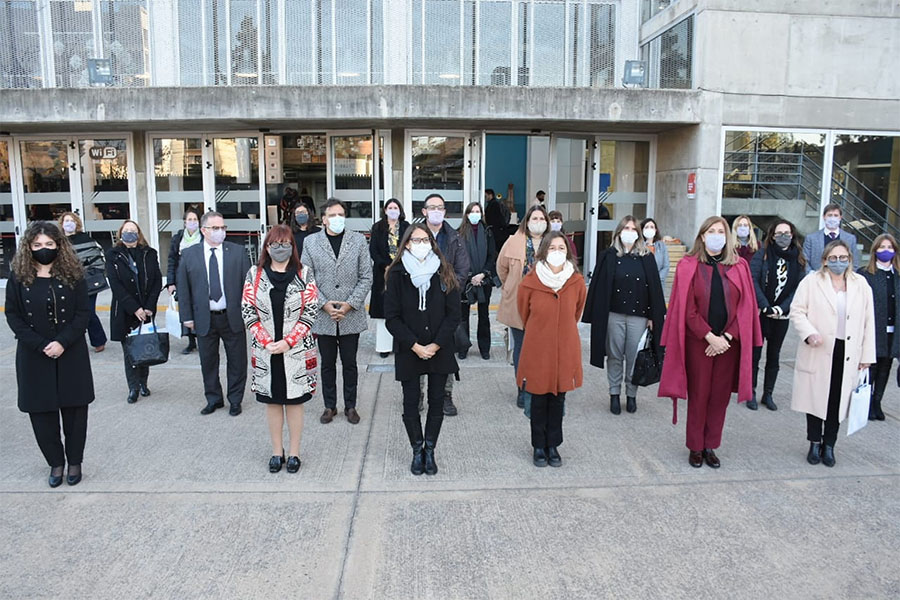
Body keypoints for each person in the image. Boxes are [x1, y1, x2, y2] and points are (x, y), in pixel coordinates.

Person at [659, 216, 762, 469]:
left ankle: (710, 445)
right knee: (700, 394)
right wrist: (709, 336)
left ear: (727, 237)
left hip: (728, 344)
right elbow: (687, 309)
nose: (716, 235)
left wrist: (726, 337)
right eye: (711, 231)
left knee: (719, 397)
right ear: (702, 236)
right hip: (699, 343)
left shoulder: (739, 267)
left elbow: (746, 309)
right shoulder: (688, 265)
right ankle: (695, 446)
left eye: (721, 231)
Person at [6, 221, 94, 487]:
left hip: (70, 352)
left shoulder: (74, 274)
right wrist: (40, 344)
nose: (43, 249)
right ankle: (56, 463)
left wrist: (62, 342)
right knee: (41, 413)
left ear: (59, 246)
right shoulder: (19, 276)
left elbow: (82, 314)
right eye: (37, 245)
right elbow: (13, 315)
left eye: (49, 244)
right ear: (28, 247)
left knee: (75, 412)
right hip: (34, 355)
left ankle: (75, 461)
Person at [384, 224, 461, 475]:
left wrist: (436, 344)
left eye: (425, 239)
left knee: (437, 400)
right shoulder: (396, 273)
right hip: (410, 348)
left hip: (440, 346)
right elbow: (392, 318)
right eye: (416, 240)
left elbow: (453, 314)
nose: (421, 243)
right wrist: (415, 346)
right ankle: (417, 450)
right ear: (406, 244)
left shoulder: (444, 270)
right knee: (410, 401)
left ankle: (430, 449)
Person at [242, 225, 319, 474]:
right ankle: (277, 451)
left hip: (295, 351)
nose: (280, 248)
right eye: (275, 244)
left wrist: (288, 341)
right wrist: (266, 341)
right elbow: (247, 310)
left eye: (286, 243)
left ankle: (294, 452)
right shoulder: (254, 274)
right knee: (273, 403)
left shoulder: (304, 273)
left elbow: (310, 311)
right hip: (266, 352)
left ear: (293, 247)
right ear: (266, 247)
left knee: (295, 403)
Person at [790, 240, 875, 467]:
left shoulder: (861, 285)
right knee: (816, 397)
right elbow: (797, 311)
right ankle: (814, 442)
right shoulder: (811, 281)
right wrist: (809, 333)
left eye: (843, 258)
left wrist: (867, 356)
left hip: (848, 351)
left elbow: (869, 322)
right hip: (819, 348)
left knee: (837, 400)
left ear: (850, 259)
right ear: (825, 260)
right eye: (834, 258)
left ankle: (830, 444)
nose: (839, 262)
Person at [517, 231, 587, 467]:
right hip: (537, 348)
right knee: (537, 399)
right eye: (552, 248)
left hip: (565, 347)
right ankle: (538, 445)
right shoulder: (530, 282)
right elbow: (524, 314)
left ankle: (553, 445)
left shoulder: (576, 282)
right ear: (543, 251)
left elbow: (576, 312)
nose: (557, 252)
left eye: (562, 248)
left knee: (558, 399)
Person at [584, 216, 666, 415]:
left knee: (633, 357)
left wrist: (653, 317)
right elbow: (598, 288)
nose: (629, 231)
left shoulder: (646, 258)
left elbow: (654, 290)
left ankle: (631, 394)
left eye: (633, 228)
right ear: (619, 231)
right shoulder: (608, 256)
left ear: (638, 233)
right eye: (626, 227)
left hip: (639, 317)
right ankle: (614, 393)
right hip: (614, 315)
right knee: (614, 356)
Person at [302, 198, 372, 425]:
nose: (337, 218)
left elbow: (366, 276)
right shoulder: (311, 243)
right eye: (333, 215)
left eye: (341, 214)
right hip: (324, 315)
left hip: (350, 314)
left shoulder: (358, 240)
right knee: (327, 364)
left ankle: (350, 406)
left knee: (350, 363)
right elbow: (307, 278)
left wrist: (350, 304)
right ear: (323, 219)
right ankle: (329, 405)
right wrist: (324, 304)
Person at [177, 211, 252, 416]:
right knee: (208, 362)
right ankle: (214, 399)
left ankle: (235, 400)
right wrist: (187, 317)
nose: (220, 232)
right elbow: (183, 289)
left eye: (223, 228)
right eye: (215, 228)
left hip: (232, 317)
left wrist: (249, 315)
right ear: (203, 230)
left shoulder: (237, 252)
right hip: (204, 318)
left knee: (237, 361)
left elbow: (249, 287)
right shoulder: (190, 254)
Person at [747, 218, 806, 411]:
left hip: (781, 316)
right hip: (761, 314)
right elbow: (753, 280)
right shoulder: (762, 254)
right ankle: (751, 392)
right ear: (772, 236)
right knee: (755, 355)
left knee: (774, 356)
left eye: (787, 234)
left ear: (792, 236)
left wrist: (782, 308)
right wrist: (765, 306)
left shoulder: (798, 258)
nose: (783, 237)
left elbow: (798, 287)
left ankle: (768, 394)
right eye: (779, 233)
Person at [421, 193, 470, 415]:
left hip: (445, 304)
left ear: (445, 212)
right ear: (424, 211)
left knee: (444, 351)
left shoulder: (454, 237)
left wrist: (446, 291)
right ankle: (418, 394)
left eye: (440, 207)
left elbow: (462, 270)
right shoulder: (414, 235)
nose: (436, 211)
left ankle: (445, 396)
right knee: (418, 349)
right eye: (432, 207)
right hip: (419, 304)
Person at [497, 205, 549, 408]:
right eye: (534, 218)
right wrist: (510, 286)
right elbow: (501, 268)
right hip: (520, 303)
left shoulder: (553, 243)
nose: (538, 222)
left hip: (546, 305)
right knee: (521, 347)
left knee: (542, 349)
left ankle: (539, 385)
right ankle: (522, 387)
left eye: (541, 218)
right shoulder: (513, 241)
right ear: (526, 221)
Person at [106, 220, 163, 404]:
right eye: (126, 230)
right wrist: (134, 308)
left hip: (145, 310)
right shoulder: (113, 255)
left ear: (139, 234)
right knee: (129, 351)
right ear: (120, 233)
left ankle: (143, 383)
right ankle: (133, 387)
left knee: (145, 348)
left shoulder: (149, 253)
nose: (130, 233)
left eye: (133, 230)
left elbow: (156, 281)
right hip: (125, 311)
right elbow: (115, 285)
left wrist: (148, 307)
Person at [857, 233, 899, 421]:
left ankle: (877, 402)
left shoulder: (897, 275)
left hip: (894, 329)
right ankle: (865, 403)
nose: (886, 251)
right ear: (875, 251)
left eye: (889, 248)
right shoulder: (865, 274)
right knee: (871, 366)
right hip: (873, 328)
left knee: (886, 366)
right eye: (882, 247)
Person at [59, 211, 107, 352]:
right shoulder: (58, 242)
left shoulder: (86, 239)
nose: (69, 223)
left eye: (71, 220)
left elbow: (97, 260)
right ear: (61, 224)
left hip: (88, 282)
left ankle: (99, 340)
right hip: (67, 283)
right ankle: (74, 342)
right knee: (70, 314)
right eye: (66, 220)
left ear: (77, 223)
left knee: (88, 312)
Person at [457, 201, 498, 360]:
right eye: (472, 211)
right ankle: (462, 347)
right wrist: (469, 275)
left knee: (484, 316)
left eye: (478, 211)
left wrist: (482, 274)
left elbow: (491, 255)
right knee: (463, 317)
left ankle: (484, 349)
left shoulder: (487, 232)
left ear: (481, 214)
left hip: (483, 280)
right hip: (465, 281)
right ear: (467, 214)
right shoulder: (459, 232)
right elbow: (458, 257)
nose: (475, 214)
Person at [369, 199, 409, 358]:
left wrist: (399, 266)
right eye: (390, 207)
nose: (393, 210)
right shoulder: (378, 227)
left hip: (403, 272)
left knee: (402, 309)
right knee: (383, 311)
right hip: (382, 273)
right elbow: (373, 251)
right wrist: (385, 265)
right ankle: (384, 347)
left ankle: (401, 343)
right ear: (385, 210)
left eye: (396, 207)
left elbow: (410, 247)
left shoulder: (406, 227)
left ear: (400, 210)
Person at [166, 208, 202, 354]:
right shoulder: (178, 238)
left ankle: (202, 338)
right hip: (182, 279)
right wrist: (170, 282)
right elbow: (171, 260)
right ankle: (190, 341)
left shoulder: (204, 237)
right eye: (189, 220)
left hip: (199, 279)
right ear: (184, 222)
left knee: (199, 308)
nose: (192, 222)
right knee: (186, 308)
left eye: (195, 220)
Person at [802, 203, 861, 271]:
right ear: (824, 217)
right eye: (829, 215)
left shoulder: (850, 239)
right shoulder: (811, 238)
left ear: (840, 218)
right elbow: (804, 261)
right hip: (818, 277)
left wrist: (847, 277)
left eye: (836, 215)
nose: (832, 218)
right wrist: (813, 275)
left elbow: (854, 262)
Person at [640, 217, 670, 285]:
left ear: (655, 230)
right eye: (646, 227)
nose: (649, 229)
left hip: (658, 283)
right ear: (642, 230)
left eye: (652, 227)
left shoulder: (662, 246)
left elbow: (666, 266)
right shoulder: (638, 246)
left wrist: (655, 278)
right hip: (642, 283)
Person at [485, 188, 511, 253]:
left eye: (486, 196)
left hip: (496, 232)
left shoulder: (493, 205)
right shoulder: (494, 204)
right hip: (499, 231)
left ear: (490, 195)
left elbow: (495, 218)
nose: (485, 198)